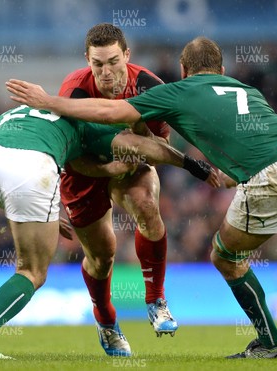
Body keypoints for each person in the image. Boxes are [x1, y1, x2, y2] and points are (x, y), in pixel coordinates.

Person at [5, 36, 277, 360]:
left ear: (184, 70)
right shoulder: (245, 88)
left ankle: (269, 342)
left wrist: (49, 102)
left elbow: (110, 113)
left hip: (273, 173)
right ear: (221, 67)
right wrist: (227, 168)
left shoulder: (179, 90)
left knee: (225, 257)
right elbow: (245, 134)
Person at [0, 104, 218, 359]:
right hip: (34, 165)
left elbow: (18, 166)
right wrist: (194, 165)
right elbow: (141, 146)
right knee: (31, 270)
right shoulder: (87, 119)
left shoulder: (17, 112)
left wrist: (37, 210)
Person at [55, 23, 178, 355]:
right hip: (86, 172)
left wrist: (137, 146)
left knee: (148, 209)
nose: (106, 72)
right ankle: (107, 321)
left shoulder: (149, 86)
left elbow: (163, 146)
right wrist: (112, 166)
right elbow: (73, 160)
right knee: (102, 256)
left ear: (127, 55)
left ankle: (156, 300)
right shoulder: (74, 94)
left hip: (130, 164)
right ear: (87, 60)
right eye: (98, 64)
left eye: (113, 62)